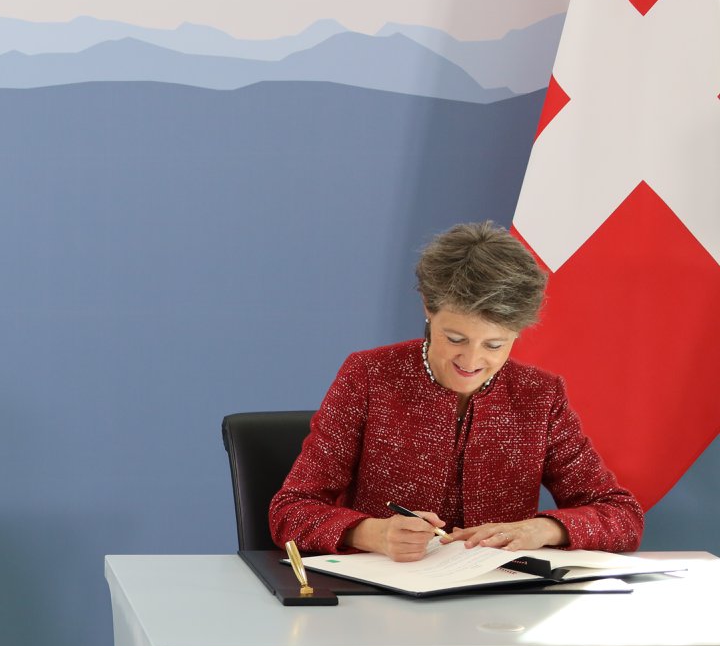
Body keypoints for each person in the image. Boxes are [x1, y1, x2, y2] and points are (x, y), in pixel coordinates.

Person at [270, 221, 642, 562]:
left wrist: (542, 530)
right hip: (383, 593)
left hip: (501, 597)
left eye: (494, 345)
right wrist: (373, 534)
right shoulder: (370, 376)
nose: (472, 360)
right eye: (455, 338)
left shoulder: (539, 395)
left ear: (517, 332)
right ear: (428, 308)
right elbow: (290, 511)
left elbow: (622, 515)